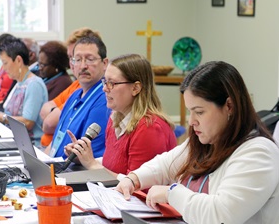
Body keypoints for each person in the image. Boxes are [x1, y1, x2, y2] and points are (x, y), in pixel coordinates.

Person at [116, 61, 279, 224]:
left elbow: (221, 215)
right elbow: (165, 164)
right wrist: (134, 179)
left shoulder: (259, 153)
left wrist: (171, 193)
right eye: (190, 112)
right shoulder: (210, 139)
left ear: (229, 106)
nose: (192, 121)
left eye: (199, 112)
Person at [64, 54, 177, 177]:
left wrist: (92, 165)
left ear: (135, 88)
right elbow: (113, 165)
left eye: (111, 83)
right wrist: (82, 158)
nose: (104, 89)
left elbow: (138, 188)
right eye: (105, 81)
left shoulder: (150, 128)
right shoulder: (115, 118)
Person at [0, 38, 48, 145]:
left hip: (30, 145)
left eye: (5, 63)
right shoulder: (19, 83)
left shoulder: (34, 84)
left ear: (18, 60)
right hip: (14, 140)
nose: (4, 68)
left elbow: (28, 122)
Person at [48, 36, 110, 159]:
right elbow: (56, 140)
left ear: (104, 64)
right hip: (55, 165)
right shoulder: (74, 96)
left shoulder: (105, 98)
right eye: (77, 59)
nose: (82, 66)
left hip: (74, 172)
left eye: (90, 59)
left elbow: (88, 157)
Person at [40, 28, 102, 148]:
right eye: (74, 58)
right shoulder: (76, 90)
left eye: (88, 58)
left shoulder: (97, 93)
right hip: (50, 150)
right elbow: (44, 112)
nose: (74, 64)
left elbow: (49, 123)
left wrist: (58, 113)